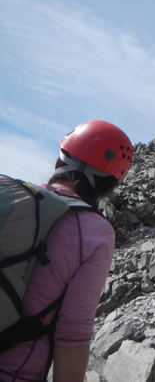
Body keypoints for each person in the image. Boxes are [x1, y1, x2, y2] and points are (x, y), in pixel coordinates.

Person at [0, 120, 133, 382]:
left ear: (60, 161)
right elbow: (72, 333)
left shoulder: (11, 197)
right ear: (107, 186)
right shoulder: (95, 232)